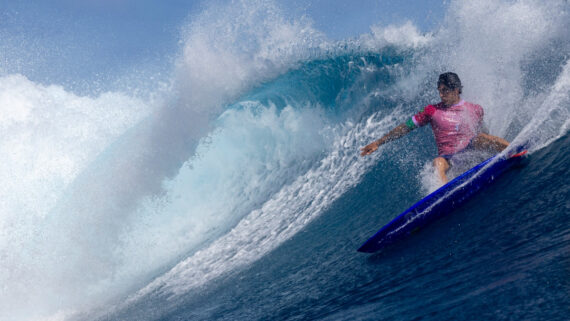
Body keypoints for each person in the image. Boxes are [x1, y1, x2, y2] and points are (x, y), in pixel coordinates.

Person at [360, 72, 510, 184]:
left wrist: (490, 148)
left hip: (471, 152)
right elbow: (405, 127)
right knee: (438, 162)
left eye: (444, 90)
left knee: (482, 138)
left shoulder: (475, 109)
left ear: (456, 90)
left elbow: (486, 135)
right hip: (450, 161)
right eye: (439, 90)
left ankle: (514, 150)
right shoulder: (431, 111)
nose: (441, 94)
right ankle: (444, 192)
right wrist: (378, 143)